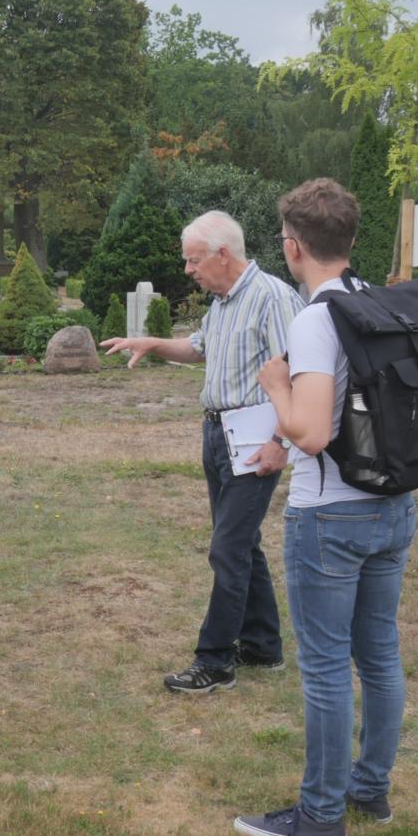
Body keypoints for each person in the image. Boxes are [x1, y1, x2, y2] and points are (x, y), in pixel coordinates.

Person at [235, 179, 416, 836]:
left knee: (326, 668)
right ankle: (371, 792)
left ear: (292, 246)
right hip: (390, 506)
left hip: (330, 517)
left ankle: (319, 815)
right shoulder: (370, 303)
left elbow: (311, 431)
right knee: (379, 657)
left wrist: (277, 390)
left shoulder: (314, 319)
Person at [100, 211, 304, 694]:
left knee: (227, 548)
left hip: (257, 439)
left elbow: (298, 373)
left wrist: (280, 443)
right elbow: (200, 349)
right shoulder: (224, 301)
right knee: (241, 542)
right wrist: (151, 343)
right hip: (219, 434)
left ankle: (215, 662)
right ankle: (262, 645)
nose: (189, 269)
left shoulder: (272, 298)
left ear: (222, 254)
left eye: (193, 260)